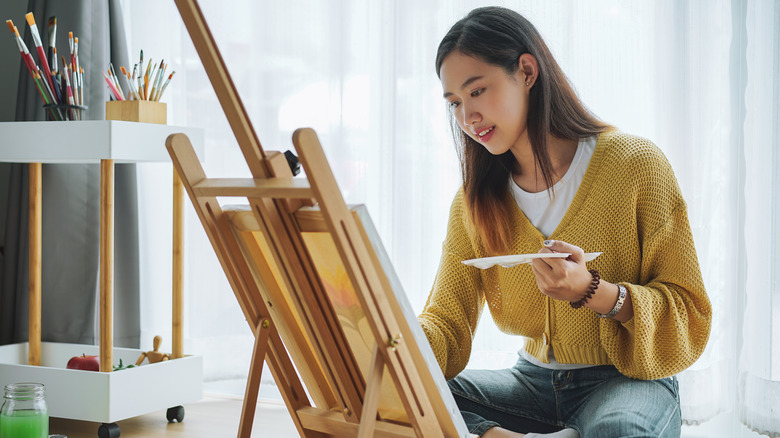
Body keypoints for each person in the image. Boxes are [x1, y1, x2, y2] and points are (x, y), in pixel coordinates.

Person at [417, 7, 712, 438]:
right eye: (456, 103)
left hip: (627, 381)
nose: (467, 117)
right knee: (413, 399)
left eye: (478, 91)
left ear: (526, 71)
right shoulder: (474, 202)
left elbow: (689, 311)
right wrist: (389, 340)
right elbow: (447, 322)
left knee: (619, 431)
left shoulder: (635, 166)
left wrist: (594, 292)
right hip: (529, 384)